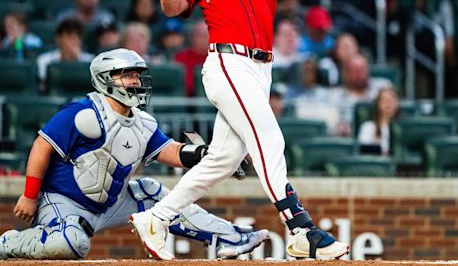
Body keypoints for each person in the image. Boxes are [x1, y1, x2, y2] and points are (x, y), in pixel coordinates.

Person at [130, 0, 349, 260]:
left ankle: (157, 216)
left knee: (224, 160)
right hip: (227, 63)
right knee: (269, 139)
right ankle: (299, 228)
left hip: (260, 69)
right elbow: (172, 7)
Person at [0, 48, 269, 260]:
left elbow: (171, 152)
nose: (136, 80)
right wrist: (29, 195)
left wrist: (208, 155)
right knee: (71, 244)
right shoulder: (82, 113)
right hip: (63, 201)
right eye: (127, 74)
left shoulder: (142, 122)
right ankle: (9, 242)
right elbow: (41, 145)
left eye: (137, 75)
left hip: (109, 206)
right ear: (106, 78)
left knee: (152, 191)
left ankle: (230, 237)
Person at [36, 18, 94, 92]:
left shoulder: (91, 62)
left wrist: (77, 62)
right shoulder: (44, 61)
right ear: (58, 39)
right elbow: (42, 87)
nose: (74, 41)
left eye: (77, 37)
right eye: (69, 37)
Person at [357, 87, 400, 156]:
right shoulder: (368, 127)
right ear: (377, 104)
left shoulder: (402, 128)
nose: (388, 104)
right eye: (385, 101)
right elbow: (363, 152)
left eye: (392, 101)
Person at [174, 21, 209, 96]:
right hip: (186, 99)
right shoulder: (180, 57)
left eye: (208, 35)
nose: (204, 38)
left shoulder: (218, 59)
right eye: (200, 35)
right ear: (192, 37)